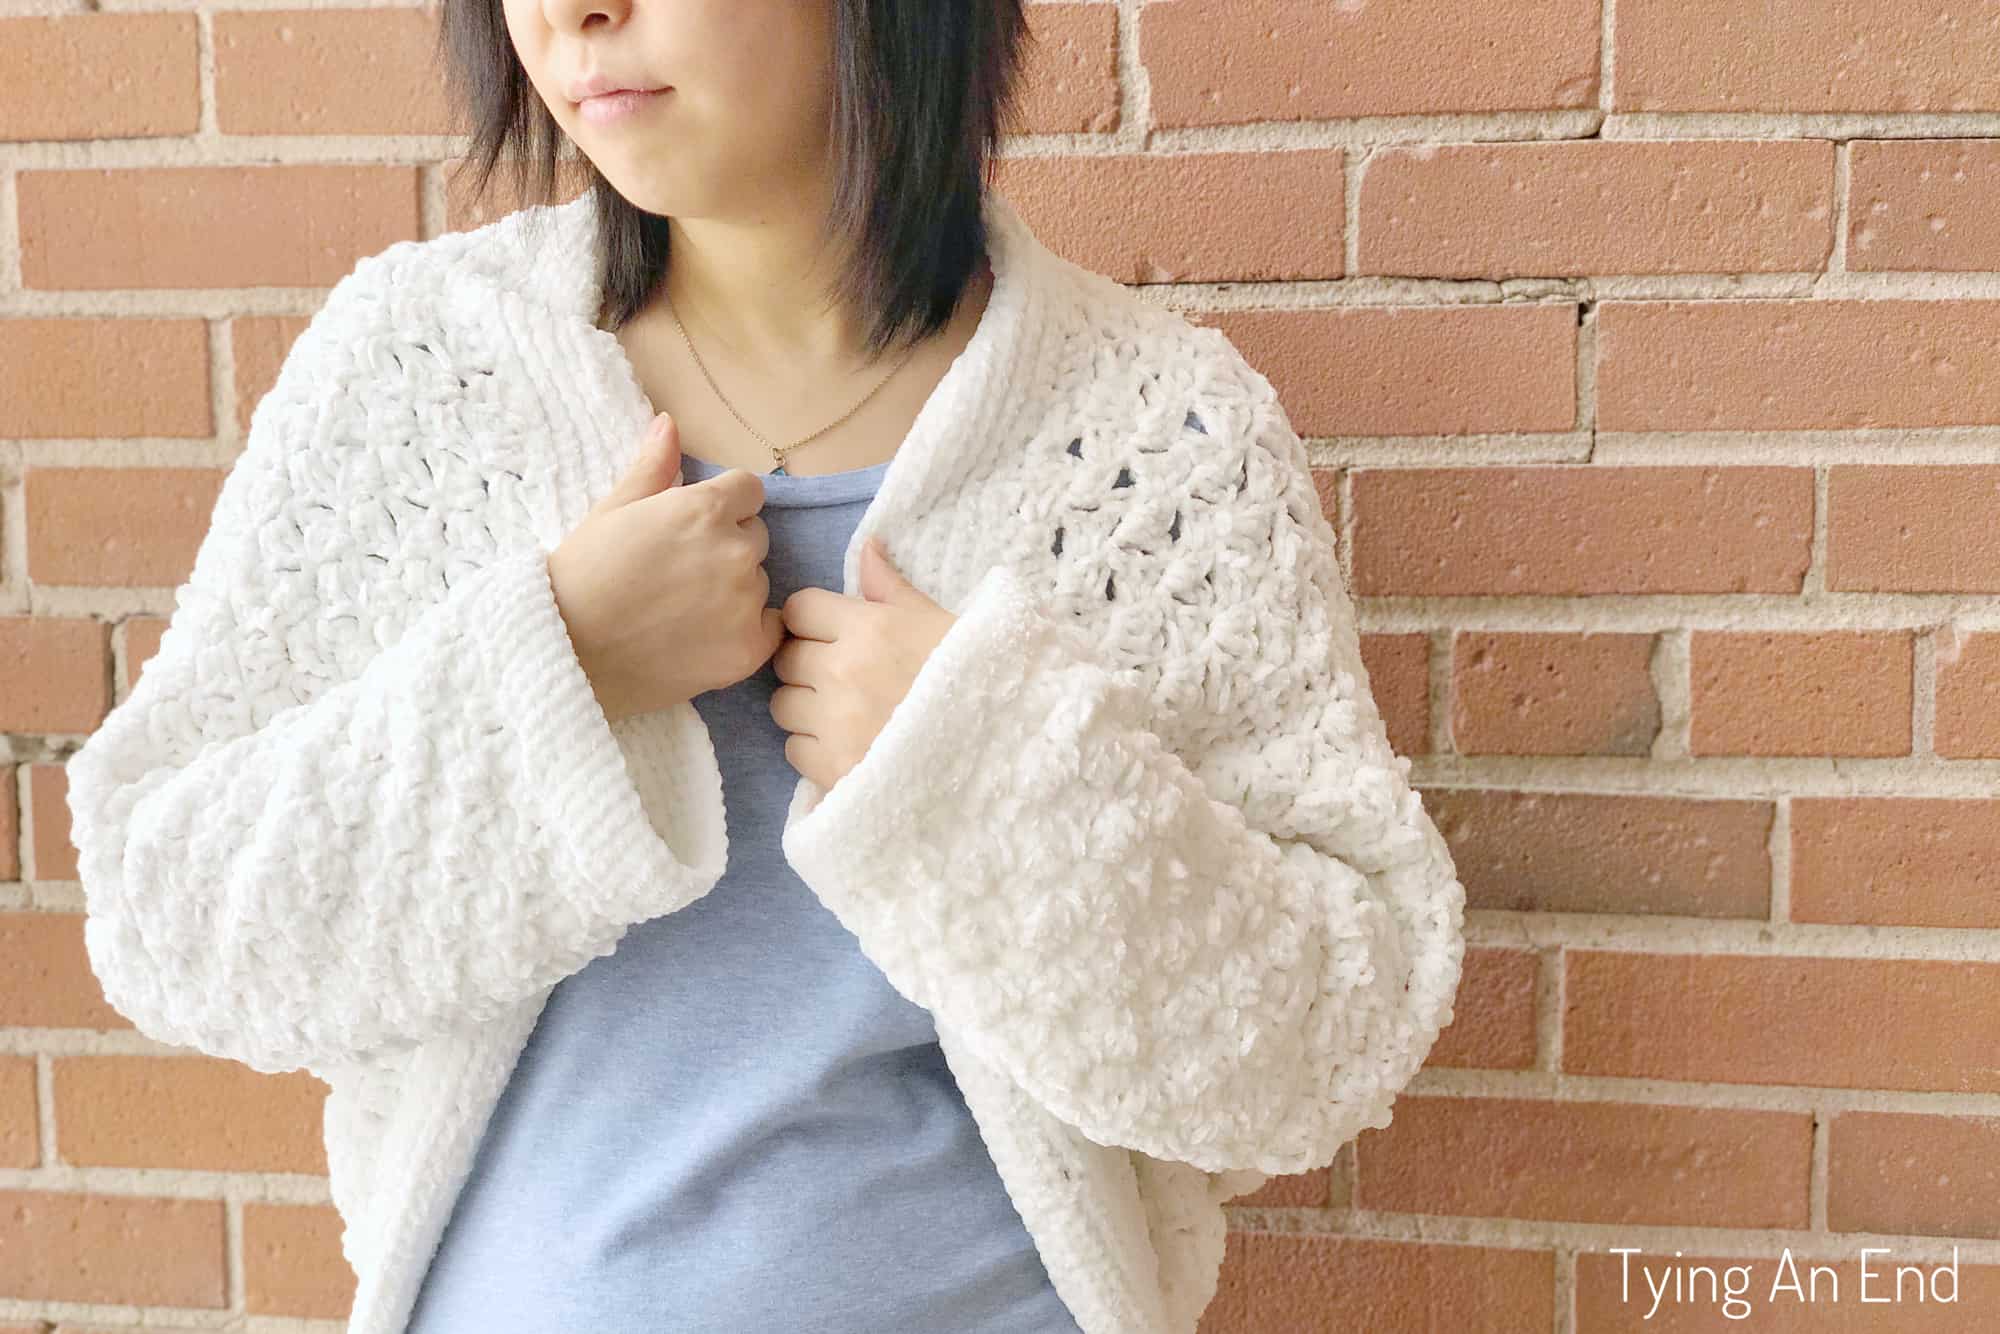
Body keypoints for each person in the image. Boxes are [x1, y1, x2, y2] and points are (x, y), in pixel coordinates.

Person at [64, 2, 1467, 1332]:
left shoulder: (1157, 436)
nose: (573, 10)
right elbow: (171, 914)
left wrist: (976, 769)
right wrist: (554, 668)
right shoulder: (427, 369)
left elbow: (1327, 1040)